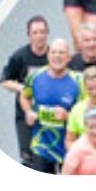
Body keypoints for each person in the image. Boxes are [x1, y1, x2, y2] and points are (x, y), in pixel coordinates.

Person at [19, 37, 83, 173]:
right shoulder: (35, 76)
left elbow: (88, 114)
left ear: (69, 57)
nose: (57, 56)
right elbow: (24, 96)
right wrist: (28, 111)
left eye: (61, 53)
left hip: (69, 146)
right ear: (48, 55)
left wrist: (68, 116)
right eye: (54, 52)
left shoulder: (78, 81)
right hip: (41, 145)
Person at [0, 14, 51, 166]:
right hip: (25, 113)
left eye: (42, 32)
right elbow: (4, 81)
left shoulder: (54, 55)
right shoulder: (20, 56)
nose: (39, 36)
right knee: (28, 157)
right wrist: (22, 87)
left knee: (48, 158)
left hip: (49, 113)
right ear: (29, 35)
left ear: (47, 33)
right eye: (35, 32)